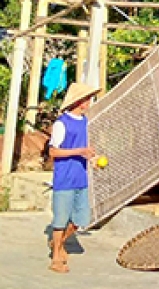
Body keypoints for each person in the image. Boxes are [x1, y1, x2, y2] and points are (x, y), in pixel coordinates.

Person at [47, 82, 100, 273]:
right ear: (79, 102)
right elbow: (53, 152)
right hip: (64, 179)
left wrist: (91, 158)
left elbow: (84, 148)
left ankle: (58, 244)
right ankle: (56, 258)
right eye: (86, 98)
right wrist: (80, 151)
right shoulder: (62, 123)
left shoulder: (85, 122)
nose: (89, 101)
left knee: (80, 219)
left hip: (81, 178)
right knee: (60, 220)